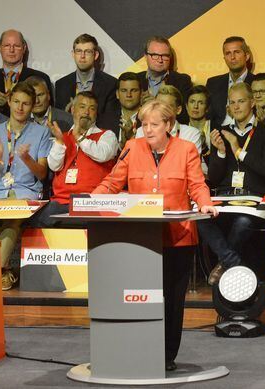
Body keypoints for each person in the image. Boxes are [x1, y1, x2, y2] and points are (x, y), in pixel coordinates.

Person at [92, 99, 218, 371]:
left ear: (169, 125)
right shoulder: (131, 147)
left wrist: (205, 202)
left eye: (154, 124)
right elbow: (113, 182)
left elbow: (197, 185)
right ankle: (139, 348)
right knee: (143, 296)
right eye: (144, 124)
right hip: (140, 239)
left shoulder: (186, 149)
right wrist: (90, 201)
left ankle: (166, 355)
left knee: (172, 300)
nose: (147, 130)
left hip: (177, 237)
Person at [200, 82, 265, 284]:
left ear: (252, 102)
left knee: (243, 223)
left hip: (255, 198)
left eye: (241, 101)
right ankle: (230, 261)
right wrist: (220, 152)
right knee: (199, 217)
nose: (236, 107)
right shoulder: (222, 132)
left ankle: (222, 265)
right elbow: (215, 178)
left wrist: (238, 150)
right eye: (232, 102)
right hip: (227, 196)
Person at [0, 82, 51, 290]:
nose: (20, 108)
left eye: (26, 104)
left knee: (13, 218)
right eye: (17, 102)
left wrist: (27, 158)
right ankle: (4, 272)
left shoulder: (41, 132)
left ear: (32, 107)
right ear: (9, 102)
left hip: (26, 192)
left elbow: (42, 174)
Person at [35, 91, 117, 226]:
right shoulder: (63, 137)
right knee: (37, 220)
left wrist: (79, 137)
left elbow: (102, 154)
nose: (86, 112)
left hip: (92, 202)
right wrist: (60, 142)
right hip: (61, 201)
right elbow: (54, 166)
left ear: (96, 113)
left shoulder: (107, 135)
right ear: (73, 109)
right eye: (82, 107)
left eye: (92, 108)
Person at [53, 34, 119, 130]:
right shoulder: (61, 84)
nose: (82, 56)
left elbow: (110, 120)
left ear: (95, 55)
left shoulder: (110, 84)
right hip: (69, 139)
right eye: (79, 51)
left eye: (87, 52)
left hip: (98, 139)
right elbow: (59, 121)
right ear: (73, 54)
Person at [0, 29, 53, 116]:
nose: (11, 50)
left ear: (24, 48)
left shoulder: (41, 78)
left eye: (16, 46)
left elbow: (49, 114)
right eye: (7, 45)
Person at [137, 36, 193, 123]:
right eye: (155, 55)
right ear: (145, 56)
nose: (160, 60)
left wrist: (156, 104)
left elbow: (185, 115)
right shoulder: (135, 80)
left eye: (165, 56)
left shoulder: (182, 81)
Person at [135, 85, 204, 155]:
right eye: (158, 105)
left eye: (167, 106)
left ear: (178, 110)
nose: (162, 110)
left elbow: (192, 164)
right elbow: (138, 162)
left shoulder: (191, 134)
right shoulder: (141, 132)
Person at [206, 36, 255, 128]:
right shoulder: (213, 83)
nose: (232, 57)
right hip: (217, 136)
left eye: (237, 52)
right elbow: (208, 117)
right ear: (224, 58)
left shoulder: (257, 83)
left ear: (247, 56)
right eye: (228, 53)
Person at [115, 72, 143, 149]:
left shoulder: (149, 119)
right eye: (124, 90)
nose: (128, 95)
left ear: (141, 93)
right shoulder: (106, 120)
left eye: (133, 90)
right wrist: (123, 143)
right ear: (117, 94)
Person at [186, 85, 211, 157]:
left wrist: (204, 147)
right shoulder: (180, 131)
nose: (195, 106)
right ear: (186, 106)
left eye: (201, 103)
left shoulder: (216, 131)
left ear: (207, 108)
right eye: (192, 102)